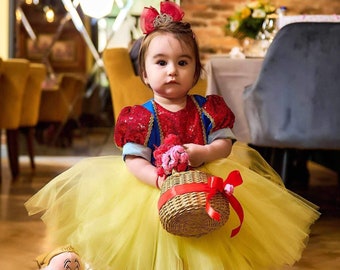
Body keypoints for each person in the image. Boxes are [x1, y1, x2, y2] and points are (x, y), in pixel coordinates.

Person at [25, 2, 320, 269]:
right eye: (161, 62)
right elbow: (133, 160)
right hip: (153, 188)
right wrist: (156, 178)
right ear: (144, 73)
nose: (172, 71)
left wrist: (203, 153)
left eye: (182, 62)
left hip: (204, 182)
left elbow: (225, 144)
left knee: (210, 237)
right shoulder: (141, 116)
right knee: (149, 242)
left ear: (195, 72)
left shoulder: (207, 109)